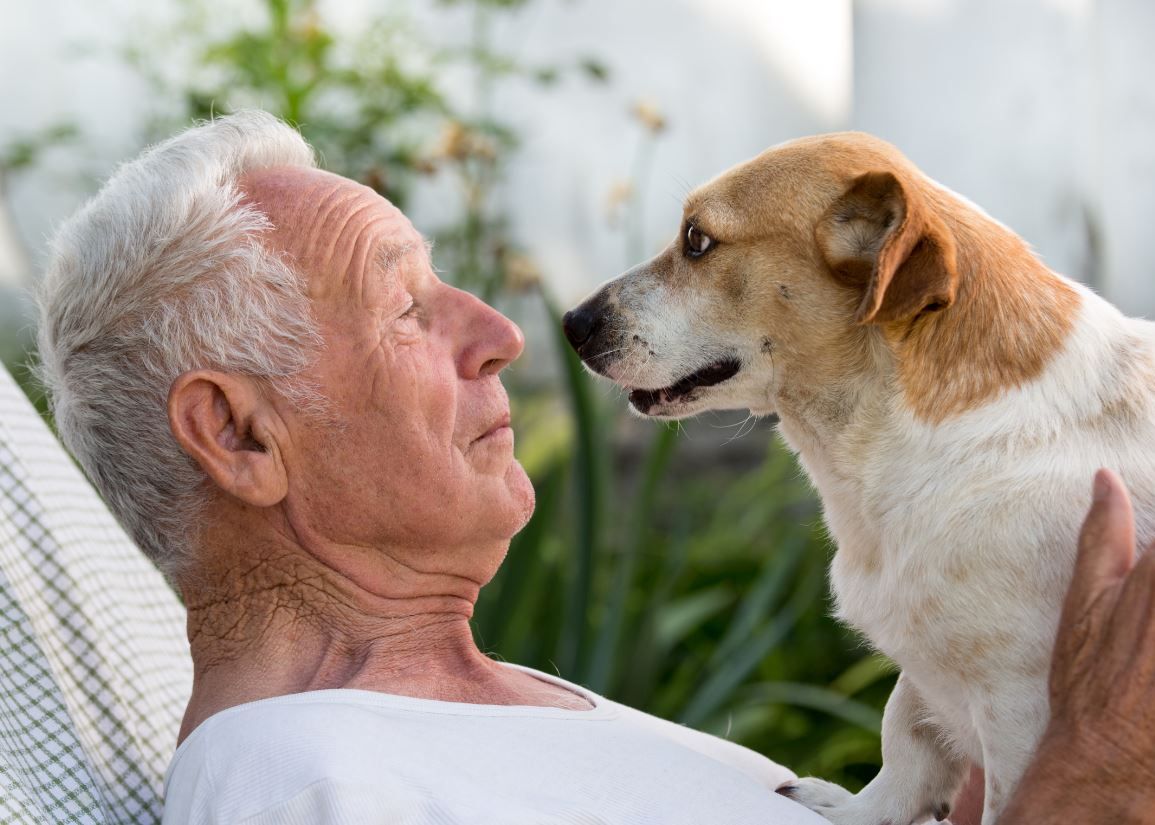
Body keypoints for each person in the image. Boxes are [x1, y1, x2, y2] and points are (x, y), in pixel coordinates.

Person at [34, 111, 1155, 824]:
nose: (503, 334)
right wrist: (1092, 785)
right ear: (239, 436)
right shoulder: (306, 779)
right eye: (405, 309)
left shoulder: (501, 724)